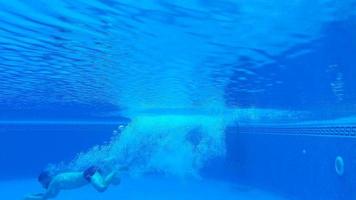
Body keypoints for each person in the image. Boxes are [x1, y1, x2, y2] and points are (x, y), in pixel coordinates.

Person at [24, 166, 124, 200]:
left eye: (42, 183)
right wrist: (35, 195)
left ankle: (115, 170)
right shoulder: (57, 181)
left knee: (101, 188)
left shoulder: (55, 181)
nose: (43, 185)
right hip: (90, 173)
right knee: (116, 182)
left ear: (46, 178)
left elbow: (45, 197)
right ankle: (111, 168)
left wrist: (28, 197)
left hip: (89, 174)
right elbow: (51, 195)